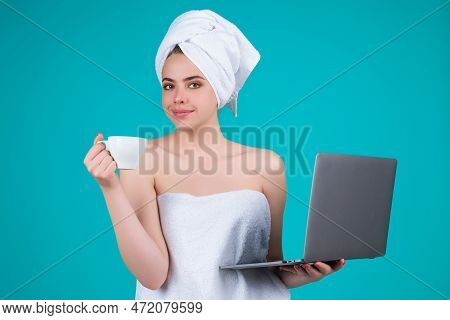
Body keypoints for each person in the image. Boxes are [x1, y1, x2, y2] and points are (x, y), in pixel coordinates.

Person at [83, 10, 345, 300]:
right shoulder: (142, 160)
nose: (177, 97)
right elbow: (153, 275)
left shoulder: (268, 165)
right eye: (169, 85)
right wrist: (110, 187)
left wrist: (306, 273)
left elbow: (268, 270)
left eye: (194, 84)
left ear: (219, 88)